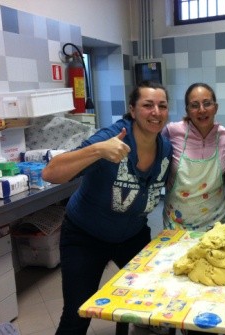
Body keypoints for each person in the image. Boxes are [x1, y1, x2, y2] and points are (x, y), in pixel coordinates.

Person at [42, 81, 172, 334]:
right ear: (133, 110)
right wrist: (98, 150)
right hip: (85, 236)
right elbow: (51, 172)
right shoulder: (111, 138)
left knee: (141, 298)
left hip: (133, 234)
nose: (156, 111)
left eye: (162, 105)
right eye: (147, 105)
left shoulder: (165, 148)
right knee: (77, 314)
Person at [162, 83, 225, 232]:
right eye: (194, 105)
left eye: (207, 103)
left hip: (216, 222)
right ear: (187, 110)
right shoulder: (172, 131)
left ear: (216, 107)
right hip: (177, 222)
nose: (202, 110)